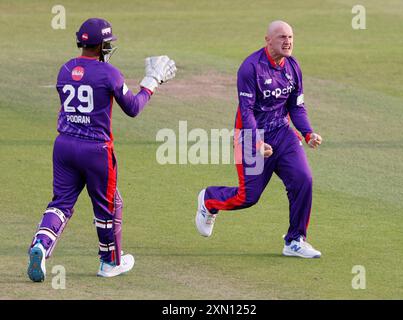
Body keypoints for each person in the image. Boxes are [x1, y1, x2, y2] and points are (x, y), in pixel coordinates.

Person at [27, 18, 176, 281]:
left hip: (64, 146)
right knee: (108, 206)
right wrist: (152, 82)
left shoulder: (65, 69)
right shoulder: (109, 73)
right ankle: (109, 262)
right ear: (102, 45)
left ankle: (40, 244)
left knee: (61, 203)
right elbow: (133, 108)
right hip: (96, 150)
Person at [195, 20, 323, 258]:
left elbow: (297, 106)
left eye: (291, 37)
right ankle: (209, 199)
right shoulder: (250, 67)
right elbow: (246, 111)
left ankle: (295, 240)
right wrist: (256, 142)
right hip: (251, 135)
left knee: (303, 180)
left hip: (282, 133)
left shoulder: (293, 67)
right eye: (282, 37)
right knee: (248, 197)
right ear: (268, 40)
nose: (288, 42)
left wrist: (307, 133)